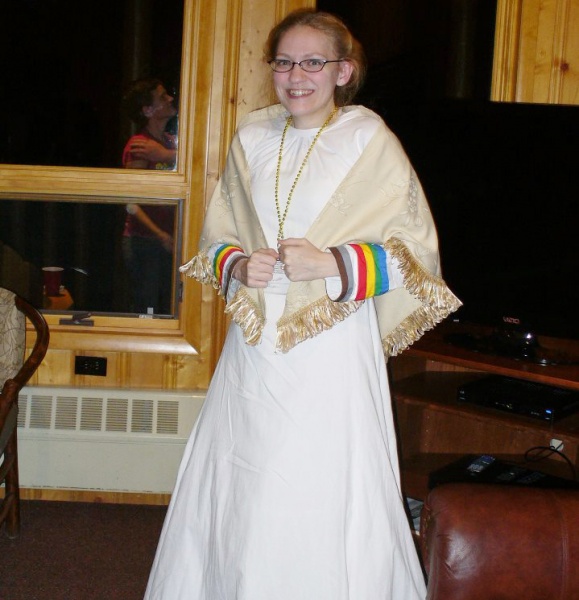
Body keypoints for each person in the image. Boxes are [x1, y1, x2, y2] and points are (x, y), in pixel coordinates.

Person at [145, 9, 461, 599]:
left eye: (313, 62)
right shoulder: (250, 138)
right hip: (254, 345)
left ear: (344, 71)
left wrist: (334, 264)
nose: (296, 76)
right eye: (284, 62)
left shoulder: (369, 140)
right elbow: (216, 239)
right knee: (245, 475)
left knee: (316, 481)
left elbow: (417, 253)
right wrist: (239, 265)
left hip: (330, 343)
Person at [121, 78, 178, 314]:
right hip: (144, 240)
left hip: (166, 239)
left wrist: (166, 155)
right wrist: (160, 234)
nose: (170, 99)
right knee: (148, 311)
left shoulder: (167, 143)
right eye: (162, 97)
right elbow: (130, 200)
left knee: (168, 308)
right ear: (147, 110)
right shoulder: (140, 146)